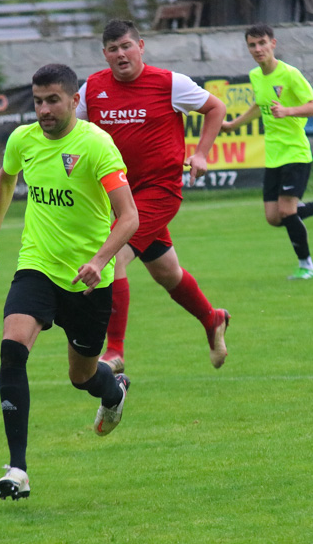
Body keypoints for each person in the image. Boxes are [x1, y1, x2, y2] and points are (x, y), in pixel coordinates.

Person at [0, 64, 139, 501]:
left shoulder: (96, 145)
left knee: (81, 377)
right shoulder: (22, 140)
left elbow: (129, 216)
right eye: (38, 100)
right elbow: (4, 183)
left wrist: (100, 259)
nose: (43, 109)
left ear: (73, 101)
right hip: (37, 266)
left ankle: (113, 389)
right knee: (12, 349)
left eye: (52, 101)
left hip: (87, 283)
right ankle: (18, 469)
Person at [76, 19, 230, 374]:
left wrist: (202, 153)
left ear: (141, 46)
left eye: (127, 46)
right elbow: (77, 132)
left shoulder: (169, 83)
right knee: (167, 272)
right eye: (113, 49)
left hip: (159, 191)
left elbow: (216, 108)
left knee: (112, 258)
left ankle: (115, 351)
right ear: (105, 54)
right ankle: (212, 318)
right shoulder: (92, 89)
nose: (121, 54)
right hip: (119, 196)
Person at [221, 24, 313, 280]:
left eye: (262, 43)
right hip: (274, 156)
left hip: (296, 153)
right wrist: (234, 124)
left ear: (273, 44)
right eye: (252, 45)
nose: (258, 49)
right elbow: (260, 105)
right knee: (274, 217)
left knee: (288, 211)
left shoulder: (290, 74)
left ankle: (306, 265)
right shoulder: (256, 76)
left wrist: (288, 111)